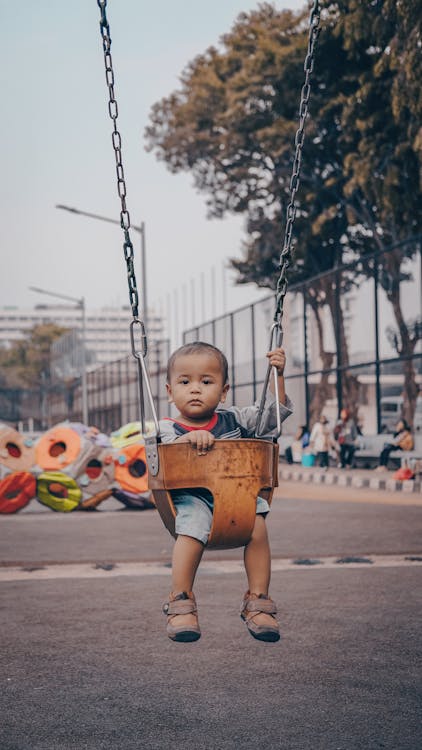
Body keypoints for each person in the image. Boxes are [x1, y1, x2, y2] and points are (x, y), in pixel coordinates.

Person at [159, 341, 293, 644]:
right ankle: (181, 602)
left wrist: (278, 376)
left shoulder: (235, 419)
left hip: (236, 498)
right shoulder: (166, 428)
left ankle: (257, 602)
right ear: (170, 392)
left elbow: (272, 417)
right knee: (192, 531)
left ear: (223, 391)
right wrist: (190, 439)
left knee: (257, 527)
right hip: (191, 500)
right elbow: (162, 451)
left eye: (206, 382)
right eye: (185, 381)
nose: (195, 389)